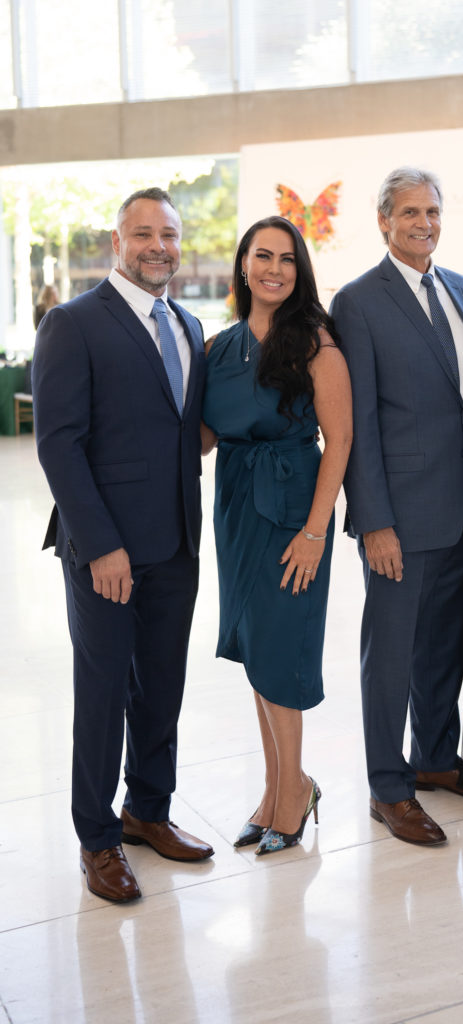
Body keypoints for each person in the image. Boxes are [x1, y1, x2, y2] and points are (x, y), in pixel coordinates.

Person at [32, 187, 213, 903]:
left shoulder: (192, 326)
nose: (157, 247)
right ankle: (98, 838)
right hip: (104, 548)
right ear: (117, 243)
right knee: (104, 692)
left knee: (162, 687)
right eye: (143, 234)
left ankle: (149, 809)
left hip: (174, 541)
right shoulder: (72, 324)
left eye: (168, 234)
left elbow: (185, 431)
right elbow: (59, 445)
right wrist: (101, 544)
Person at [329, 167, 463, 846]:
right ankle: (387, 787)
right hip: (399, 512)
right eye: (410, 212)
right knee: (389, 653)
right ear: (383, 222)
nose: (424, 223)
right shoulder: (358, 302)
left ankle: (432, 758)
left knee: (443, 646)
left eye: (433, 211)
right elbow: (355, 419)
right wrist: (374, 522)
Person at [201, 215, 352, 856]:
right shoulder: (218, 347)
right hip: (235, 503)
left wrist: (316, 532)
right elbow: (206, 436)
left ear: (299, 270)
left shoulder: (316, 342)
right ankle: (276, 786)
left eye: (288, 259)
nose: (275, 269)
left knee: (280, 648)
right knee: (253, 648)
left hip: (293, 506)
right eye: (263, 256)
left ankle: (294, 791)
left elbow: (339, 439)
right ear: (243, 264)